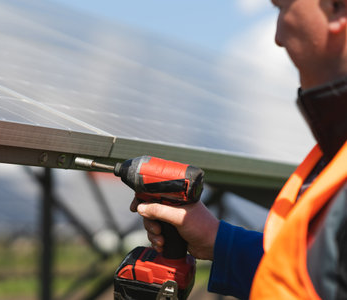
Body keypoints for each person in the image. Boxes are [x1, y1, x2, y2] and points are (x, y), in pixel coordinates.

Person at [130, 0, 347, 298]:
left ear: (337, 8)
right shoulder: (334, 154)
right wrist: (218, 240)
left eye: (283, 7)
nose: (278, 37)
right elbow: (308, 278)